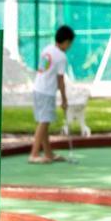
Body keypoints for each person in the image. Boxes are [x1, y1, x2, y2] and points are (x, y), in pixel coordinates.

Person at [29, 26, 74, 163]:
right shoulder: (61, 57)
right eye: (70, 43)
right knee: (44, 122)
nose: (70, 46)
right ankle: (34, 154)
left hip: (37, 88)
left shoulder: (47, 49)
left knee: (43, 122)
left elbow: (41, 68)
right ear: (66, 41)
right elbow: (60, 80)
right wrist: (64, 99)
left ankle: (48, 153)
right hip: (47, 92)